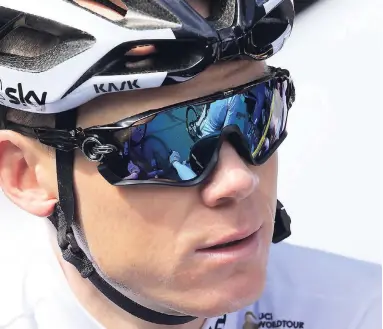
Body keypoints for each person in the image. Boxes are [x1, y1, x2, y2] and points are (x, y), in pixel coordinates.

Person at [0, 1, 380, 329]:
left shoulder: (363, 310)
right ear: (26, 176)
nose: (238, 179)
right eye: (165, 144)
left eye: (258, 113)